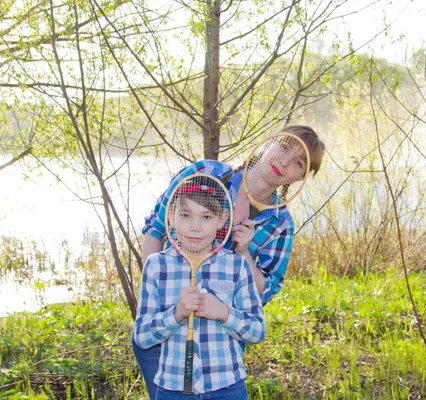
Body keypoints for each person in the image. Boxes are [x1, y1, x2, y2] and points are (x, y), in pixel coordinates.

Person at [134, 125, 325, 399]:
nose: (284, 163)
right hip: (166, 328)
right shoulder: (206, 173)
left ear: (300, 177)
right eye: (284, 148)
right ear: (268, 142)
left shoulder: (280, 223)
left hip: (220, 342)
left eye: (298, 163)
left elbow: (264, 291)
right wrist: (160, 302)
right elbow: (156, 230)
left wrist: (244, 251)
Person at [133, 176, 266, 399]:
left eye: (206, 217)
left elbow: (257, 331)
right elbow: (142, 337)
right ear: (172, 218)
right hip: (173, 389)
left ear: (222, 220)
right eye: (186, 215)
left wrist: (224, 313)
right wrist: (176, 314)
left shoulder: (237, 265)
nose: (195, 227)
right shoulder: (156, 266)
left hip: (228, 387)